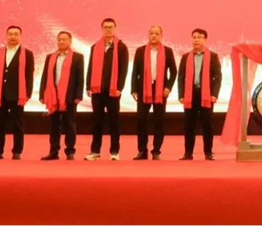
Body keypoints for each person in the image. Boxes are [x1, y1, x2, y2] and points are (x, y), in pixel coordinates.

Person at [0, 25, 35, 160]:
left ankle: (17, 151)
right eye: (10, 34)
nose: (13, 37)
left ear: (20, 36)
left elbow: (29, 75)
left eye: (16, 34)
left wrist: (27, 93)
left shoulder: (27, 54)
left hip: (18, 94)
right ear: (6, 36)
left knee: (17, 124)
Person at [85, 18, 129, 161]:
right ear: (102, 29)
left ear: (115, 29)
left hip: (113, 90)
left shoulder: (121, 47)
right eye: (105, 27)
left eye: (111, 27)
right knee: (96, 121)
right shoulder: (95, 47)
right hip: (97, 90)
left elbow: (123, 69)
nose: (108, 29)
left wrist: (119, 88)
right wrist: (88, 86)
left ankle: (114, 151)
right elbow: (90, 67)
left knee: (114, 122)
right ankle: (95, 151)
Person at [131, 26, 178, 160]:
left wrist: (168, 87)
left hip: (160, 90)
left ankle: (156, 150)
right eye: (151, 33)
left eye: (157, 34)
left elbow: (173, 71)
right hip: (143, 89)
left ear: (161, 36)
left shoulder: (167, 51)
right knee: (141, 120)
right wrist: (133, 89)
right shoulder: (140, 51)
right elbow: (135, 71)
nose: (154, 36)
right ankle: (142, 150)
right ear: (148, 35)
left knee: (159, 120)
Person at [38, 31, 85, 160]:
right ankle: (53, 151)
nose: (61, 42)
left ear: (70, 41)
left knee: (69, 124)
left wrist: (78, 95)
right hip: (53, 95)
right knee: (54, 125)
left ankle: (70, 151)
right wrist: (42, 94)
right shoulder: (50, 57)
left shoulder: (77, 57)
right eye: (59, 39)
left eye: (64, 39)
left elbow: (80, 78)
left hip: (69, 96)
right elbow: (44, 76)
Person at [177, 28, 222, 161]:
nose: (196, 40)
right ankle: (188, 153)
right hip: (190, 95)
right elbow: (181, 77)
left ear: (205, 40)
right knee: (189, 125)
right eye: (194, 37)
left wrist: (214, 94)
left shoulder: (213, 56)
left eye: (199, 37)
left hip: (206, 95)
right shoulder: (186, 57)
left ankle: (208, 152)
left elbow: (218, 77)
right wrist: (181, 94)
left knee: (207, 125)